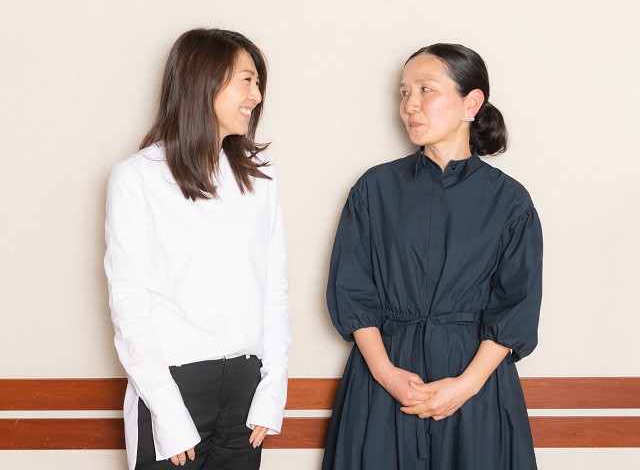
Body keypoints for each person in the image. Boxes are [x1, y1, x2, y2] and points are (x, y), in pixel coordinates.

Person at [323, 43, 543, 470]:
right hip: (383, 382)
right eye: (404, 93)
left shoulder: (510, 201)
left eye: (426, 90)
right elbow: (351, 289)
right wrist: (386, 374)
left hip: (475, 387)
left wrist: (466, 385)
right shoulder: (374, 189)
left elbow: (517, 304)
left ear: (471, 103)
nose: (410, 105)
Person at [104, 28, 291, 470]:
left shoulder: (259, 176)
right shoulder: (136, 177)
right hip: (173, 387)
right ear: (205, 81)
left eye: (258, 83)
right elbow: (129, 303)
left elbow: (275, 288)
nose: (257, 96)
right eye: (247, 80)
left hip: (246, 389)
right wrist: (166, 410)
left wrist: (272, 388)